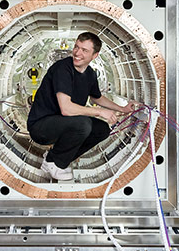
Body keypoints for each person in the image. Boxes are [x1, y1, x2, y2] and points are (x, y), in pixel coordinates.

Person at [27, 32, 137, 181]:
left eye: (84, 50)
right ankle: (55, 163)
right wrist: (99, 112)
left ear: (95, 55)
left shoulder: (90, 74)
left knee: (102, 129)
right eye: (76, 47)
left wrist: (122, 109)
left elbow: (97, 97)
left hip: (63, 125)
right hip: (41, 127)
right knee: (83, 124)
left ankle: (53, 158)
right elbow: (66, 109)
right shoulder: (62, 69)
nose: (77, 53)